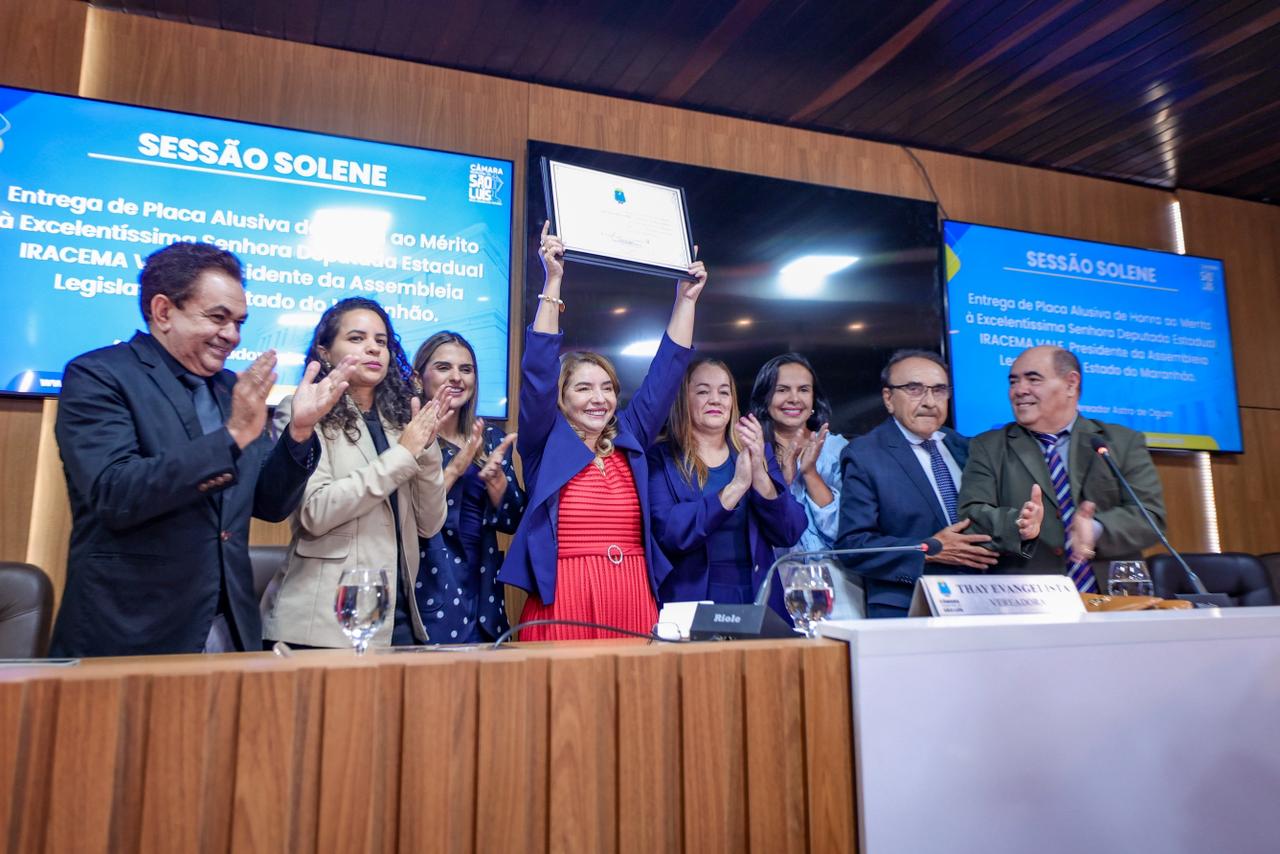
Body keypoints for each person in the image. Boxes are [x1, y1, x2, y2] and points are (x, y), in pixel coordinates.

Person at [50, 241, 355, 656]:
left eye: (239, 322)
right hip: (132, 631)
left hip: (229, 627)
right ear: (163, 311)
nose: (232, 335)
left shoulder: (233, 389)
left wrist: (299, 433)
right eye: (218, 318)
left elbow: (268, 504)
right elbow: (115, 493)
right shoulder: (99, 375)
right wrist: (232, 437)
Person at [498, 221, 704, 641]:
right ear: (560, 398)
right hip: (565, 598)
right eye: (583, 388)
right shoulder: (544, 441)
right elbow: (538, 371)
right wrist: (553, 279)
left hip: (632, 594)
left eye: (607, 387)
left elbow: (667, 373)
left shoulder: (630, 436)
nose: (599, 398)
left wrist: (685, 300)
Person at [261, 298, 449, 648]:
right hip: (322, 624)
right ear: (325, 352)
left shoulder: (400, 421)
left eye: (381, 341)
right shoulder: (302, 413)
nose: (373, 349)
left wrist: (425, 450)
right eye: (357, 338)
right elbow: (315, 513)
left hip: (396, 619)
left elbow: (429, 523)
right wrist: (402, 454)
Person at [957, 345, 1166, 590]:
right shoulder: (988, 446)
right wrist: (1018, 524)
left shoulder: (1120, 442)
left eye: (1033, 379)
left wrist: (1096, 528)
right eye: (1013, 382)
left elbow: (1150, 516)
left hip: (1115, 596)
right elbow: (971, 516)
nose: (1019, 390)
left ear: (1071, 384)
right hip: (1028, 596)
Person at [836, 350, 995, 617]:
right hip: (908, 608)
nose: (930, 402)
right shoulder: (865, 454)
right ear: (888, 398)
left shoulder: (966, 447)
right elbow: (853, 546)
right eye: (914, 389)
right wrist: (927, 550)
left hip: (981, 604)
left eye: (939, 390)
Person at [648, 358, 806, 616]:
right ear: (683, 399)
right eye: (703, 391)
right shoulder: (659, 458)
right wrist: (735, 487)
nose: (715, 400)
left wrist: (759, 474)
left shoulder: (758, 452)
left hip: (757, 599)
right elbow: (671, 534)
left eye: (724, 392)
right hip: (690, 601)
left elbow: (789, 531)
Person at [411, 331, 524, 643]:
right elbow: (408, 515)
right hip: (428, 586)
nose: (457, 378)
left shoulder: (489, 438)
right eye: (444, 367)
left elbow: (514, 520)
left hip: (484, 591)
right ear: (418, 378)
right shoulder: (408, 436)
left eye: (466, 369)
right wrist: (455, 469)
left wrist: (498, 486)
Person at [749, 353, 851, 609]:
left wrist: (810, 473)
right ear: (765, 398)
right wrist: (784, 478)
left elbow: (845, 531)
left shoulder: (839, 449)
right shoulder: (750, 452)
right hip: (773, 584)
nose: (794, 398)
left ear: (814, 398)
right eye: (782, 389)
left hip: (839, 584)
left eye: (804, 390)